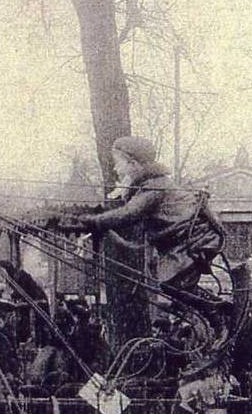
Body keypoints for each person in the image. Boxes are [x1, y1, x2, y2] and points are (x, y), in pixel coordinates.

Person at [74, 135, 227, 321]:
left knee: (170, 284)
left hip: (193, 239)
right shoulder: (150, 185)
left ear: (133, 164)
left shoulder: (154, 187)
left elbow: (128, 214)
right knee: (175, 286)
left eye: (118, 163)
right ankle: (215, 309)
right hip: (183, 240)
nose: (116, 169)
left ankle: (215, 311)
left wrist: (95, 221)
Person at [0, 260, 50, 346]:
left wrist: (10, 297)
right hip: (29, 300)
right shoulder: (13, 277)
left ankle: (40, 344)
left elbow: (23, 291)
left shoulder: (20, 276)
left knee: (40, 323)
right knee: (24, 318)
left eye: (2, 270)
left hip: (38, 300)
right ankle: (25, 340)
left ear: (6, 269)